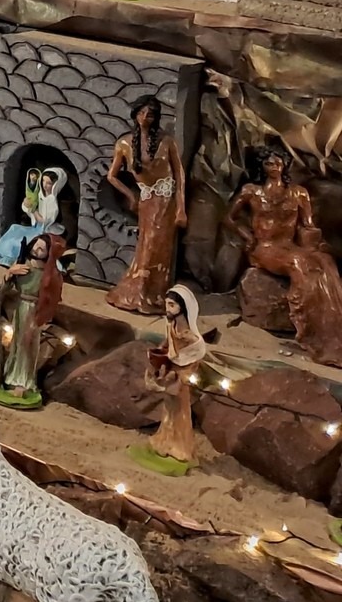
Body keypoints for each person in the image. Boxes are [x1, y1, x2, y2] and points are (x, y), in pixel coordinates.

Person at [228, 147, 342, 366]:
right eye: (269, 163)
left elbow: (307, 225)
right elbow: (229, 218)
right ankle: (313, 335)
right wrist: (247, 237)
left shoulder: (298, 192)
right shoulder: (251, 191)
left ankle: (333, 332)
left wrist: (315, 243)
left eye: (279, 162)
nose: (275, 166)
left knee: (325, 262)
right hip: (264, 247)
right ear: (261, 166)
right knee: (299, 263)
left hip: (289, 245)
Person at [105, 95, 185, 314]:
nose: (145, 117)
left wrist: (181, 207)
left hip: (166, 199)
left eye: (150, 114)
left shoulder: (167, 141)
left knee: (157, 248)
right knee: (145, 247)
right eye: (141, 113)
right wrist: (131, 196)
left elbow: (180, 174)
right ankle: (136, 292)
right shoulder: (124, 143)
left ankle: (152, 294)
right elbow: (111, 176)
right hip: (146, 199)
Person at [0, 232, 66, 405]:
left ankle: (24, 381)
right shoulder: (22, 266)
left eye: (42, 249)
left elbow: (53, 295)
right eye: (36, 246)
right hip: (20, 308)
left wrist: (45, 311)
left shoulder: (50, 274)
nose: (37, 250)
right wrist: (10, 272)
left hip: (35, 312)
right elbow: (6, 287)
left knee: (28, 345)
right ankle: (10, 376)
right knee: (16, 343)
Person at [143, 285, 207, 465]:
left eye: (172, 305)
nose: (167, 309)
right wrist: (160, 353)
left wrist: (180, 375)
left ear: (183, 308)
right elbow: (168, 344)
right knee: (168, 412)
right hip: (171, 372)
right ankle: (164, 443)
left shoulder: (192, 339)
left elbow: (194, 359)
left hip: (180, 378)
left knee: (180, 414)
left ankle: (180, 449)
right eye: (167, 304)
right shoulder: (171, 325)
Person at [0, 168, 65, 267]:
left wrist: (33, 210)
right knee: (14, 228)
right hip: (35, 226)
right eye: (43, 181)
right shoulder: (41, 195)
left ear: (56, 185)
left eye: (49, 183)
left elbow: (44, 220)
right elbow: (34, 213)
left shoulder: (52, 202)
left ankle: (10, 258)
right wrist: (27, 206)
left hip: (43, 231)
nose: (45, 185)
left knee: (18, 240)